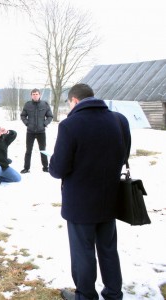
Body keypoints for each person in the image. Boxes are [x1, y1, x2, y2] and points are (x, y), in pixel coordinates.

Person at [49, 83, 130, 300]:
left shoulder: (70, 125)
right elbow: (123, 156)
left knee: (83, 252)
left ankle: (85, 296)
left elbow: (58, 169)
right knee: (108, 250)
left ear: (74, 101)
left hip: (80, 203)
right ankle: (113, 294)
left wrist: (51, 162)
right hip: (110, 198)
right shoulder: (118, 120)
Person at [20, 88, 53, 173]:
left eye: (36, 94)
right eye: (33, 94)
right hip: (30, 131)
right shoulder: (27, 105)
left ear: (39, 95)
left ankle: (45, 167)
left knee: (43, 150)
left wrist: (45, 124)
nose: (35, 96)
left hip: (41, 132)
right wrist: (27, 123)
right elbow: (23, 116)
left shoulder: (44, 104)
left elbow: (50, 116)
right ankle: (26, 168)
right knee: (28, 150)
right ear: (31, 95)